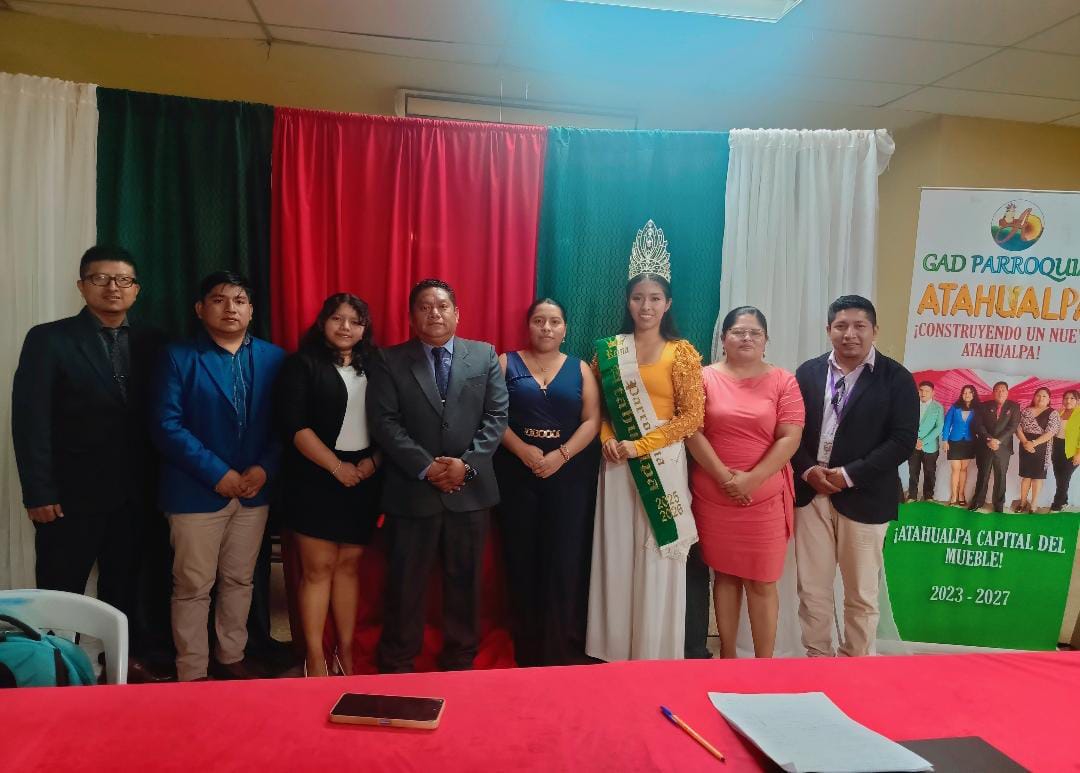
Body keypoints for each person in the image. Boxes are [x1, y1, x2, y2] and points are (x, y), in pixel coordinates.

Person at [11, 245, 168, 682]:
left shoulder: (156, 342)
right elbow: (30, 420)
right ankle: (55, 667)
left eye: (123, 280)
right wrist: (38, 491)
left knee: (126, 586)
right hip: (68, 497)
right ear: (82, 286)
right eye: (101, 278)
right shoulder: (49, 339)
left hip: (136, 494)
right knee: (61, 589)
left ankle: (119, 665)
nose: (113, 287)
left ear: (136, 289)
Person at [367, 279, 508, 673]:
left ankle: (460, 657)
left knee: (466, 582)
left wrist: (467, 464)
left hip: (470, 491)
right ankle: (398, 659)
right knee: (405, 583)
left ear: (457, 314)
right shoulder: (388, 360)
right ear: (411, 317)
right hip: (412, 490)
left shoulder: (483, 355)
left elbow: (497, 416)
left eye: (443, 306)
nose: (435, 313)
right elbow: (384, 422)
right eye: (425, 307)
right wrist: (427, 467)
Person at [151, 271, 285, 682]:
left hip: (254, 491)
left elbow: (286, 424)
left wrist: (264, 468)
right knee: (193, 585)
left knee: (240, 579)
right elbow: (166, 426)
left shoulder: (274, 358)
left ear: (251, 310)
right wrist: (217, 473)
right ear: (200, 308)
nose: (231, 308)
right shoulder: (177, 357)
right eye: (219, 299)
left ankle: (231, 656)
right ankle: (192, 670)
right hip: (195, 492)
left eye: (240, 301)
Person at [586, 221, 704, 662]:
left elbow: (692, 417)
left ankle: (655, 650)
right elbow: (599, 410)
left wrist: (640, 445)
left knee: (658, 549)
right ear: (628, 301)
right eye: (638, 297)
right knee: (618, 548)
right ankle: (614, 648)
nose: (646, 306)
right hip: (617, 462)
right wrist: (607, 439)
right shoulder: (608, 352)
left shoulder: (682, 352)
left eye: (655, 298)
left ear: (667, 303)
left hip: (662, 464)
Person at [791, 294, 917, 658]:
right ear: (828, 329)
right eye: (841, 326)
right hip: (811, 494)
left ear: (874, 330)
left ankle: (856, 666)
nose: (850, 334)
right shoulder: (808, 373)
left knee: (861, 593)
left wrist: (848, 475)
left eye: (860, 326)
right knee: (812, 590)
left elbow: (902, 440)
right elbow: (790, 430)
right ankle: (817, 660)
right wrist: (808, 470)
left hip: (866, 496)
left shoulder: (897, 378)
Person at [685, 306, 804, 658]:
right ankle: (728, 656)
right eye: (738, 332)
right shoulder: (702, 378)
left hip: (764, 501)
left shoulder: (784, 381)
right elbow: (692, 431)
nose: (746, 338)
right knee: (724, 576)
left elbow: (790, 436)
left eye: (755, 332)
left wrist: (752, 479)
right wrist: (725, 478)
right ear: (724, 339)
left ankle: (763, 664)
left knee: (763, 581)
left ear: (766, 340)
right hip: (714, 496)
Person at [277, 293, 382, 677]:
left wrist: (373, 463)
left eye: (355, 321)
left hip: (365, 478)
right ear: (322, 323)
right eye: (337, 319)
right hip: (315, 478)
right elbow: (295, 426)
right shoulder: (301, 364)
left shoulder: (378, 365)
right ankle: (315, 659)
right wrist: (336, 467)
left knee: (349, 568)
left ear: (365, 328)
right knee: (318, 570)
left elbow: (392, 422)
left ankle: (346, 653)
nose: (346, 327)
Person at [494, 298, 601, 667]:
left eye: (554, 321)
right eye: (539, 320)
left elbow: (592, 420)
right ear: (528, 326)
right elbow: (492, 416)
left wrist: (562, 455)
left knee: (563, 560)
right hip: (516, 475)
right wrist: (521, 449)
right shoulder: (505, 363)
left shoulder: (580, 368)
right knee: (521, 560)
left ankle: (560, 648)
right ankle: (526, 649)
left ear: (565, 329)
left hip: (567, 478)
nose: (546, 328)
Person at [970, 381, 1021, 513]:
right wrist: (989, 439)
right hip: (985, 445)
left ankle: (999, 505)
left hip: (1003, 448)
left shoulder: (1014, 407)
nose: (1000, 392)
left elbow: (1013, 427)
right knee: (983, 475)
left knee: (1001, 476)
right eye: (997, 390)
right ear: (993, 393)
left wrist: (998, 441)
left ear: (1007, 392)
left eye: (1003, 390)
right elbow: (978, 425)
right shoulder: (984, 406)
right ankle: (977, 502)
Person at [1014, 387, 1061, 513]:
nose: (1041, 398)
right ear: (1034, 397)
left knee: (1037, 477)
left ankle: (1034, 504)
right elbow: (1017, 428)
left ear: (1049, 399)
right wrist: (1025, 442)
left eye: (1044, 396)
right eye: (1038, 395)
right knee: (1026, 477)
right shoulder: (1025, 411)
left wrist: (1034, 443)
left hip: (1042, 447)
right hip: (1025, 445)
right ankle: (1023, 503)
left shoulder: (1053, 413)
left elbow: (1051, 432)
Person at [941, 384, 979, 507]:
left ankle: (961, 494)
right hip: (954, 441)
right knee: (955, 469)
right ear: (961, 394)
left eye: (969, 392)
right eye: (964, 392)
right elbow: (947, 423)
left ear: (973, 394)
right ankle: (954, 496)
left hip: (969, 442)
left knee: (963, 469)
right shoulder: (954, 407)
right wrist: (945, 440)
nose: (967, 395)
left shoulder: (978, 408)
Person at [907, 381, 944, 502]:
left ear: (933, 393)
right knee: (913, 472)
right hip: (912, 445)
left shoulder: (938, 407)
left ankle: (928, 496)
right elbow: (906, 424)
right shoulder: (911, 405)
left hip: (930, 446)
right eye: (921, 390)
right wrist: (914, 440)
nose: (923, 393)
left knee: (930, 472)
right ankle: (912, 496)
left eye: (927, 391)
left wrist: (923, 441)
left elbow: (939, 427)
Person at [1051, 390, 1080, 512]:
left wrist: (1078, 454)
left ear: (1077, 401)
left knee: (1064, 478)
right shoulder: (1059, 412)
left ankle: (1056, 506)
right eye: (1066, 398)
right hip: (1057, 448)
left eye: (1072, 398)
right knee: (1059, 478)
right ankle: (1064, 502)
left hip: (1072, 451)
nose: (1068, 401)